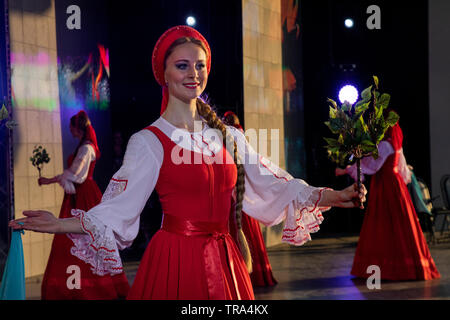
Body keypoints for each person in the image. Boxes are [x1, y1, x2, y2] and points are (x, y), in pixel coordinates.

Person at [10, 26, 366, 300]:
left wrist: (333, 196)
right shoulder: (148, 141)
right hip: (175, 261)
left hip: (227, 261)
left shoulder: (228, 136)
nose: (193, 73)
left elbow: (274, 183)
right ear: (163, 73)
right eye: (182, 66)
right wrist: (57, 224)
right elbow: (117, 211)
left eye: (200, 65)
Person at [37, 110, 130, 299]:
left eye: (71, 127)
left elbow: (75, 174)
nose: (69, 130)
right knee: (75, 238)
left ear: (76, 127)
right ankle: (74, 284)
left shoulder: (86, 148)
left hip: (85, 196)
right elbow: (72, 173)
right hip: (78, 195)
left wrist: (51, 180)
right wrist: (48, 180)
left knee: (88, 238)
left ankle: (93, 285)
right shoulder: (84, 146)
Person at [336, 122, 440, 281]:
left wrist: (347, 169)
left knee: (382, 224)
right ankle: (407, 266)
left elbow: (370, 166)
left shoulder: (384, 145)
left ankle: (387, 268)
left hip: (386, 186)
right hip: (396, 186)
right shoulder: (396, 145)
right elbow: (403, 169)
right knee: (400, 225)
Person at [222, 111, 277, 287]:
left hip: (237, 198)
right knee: (245, 232)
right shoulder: (239, 141)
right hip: (240, 197)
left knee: (240, 231)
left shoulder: (231, 141)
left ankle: (239, 274)